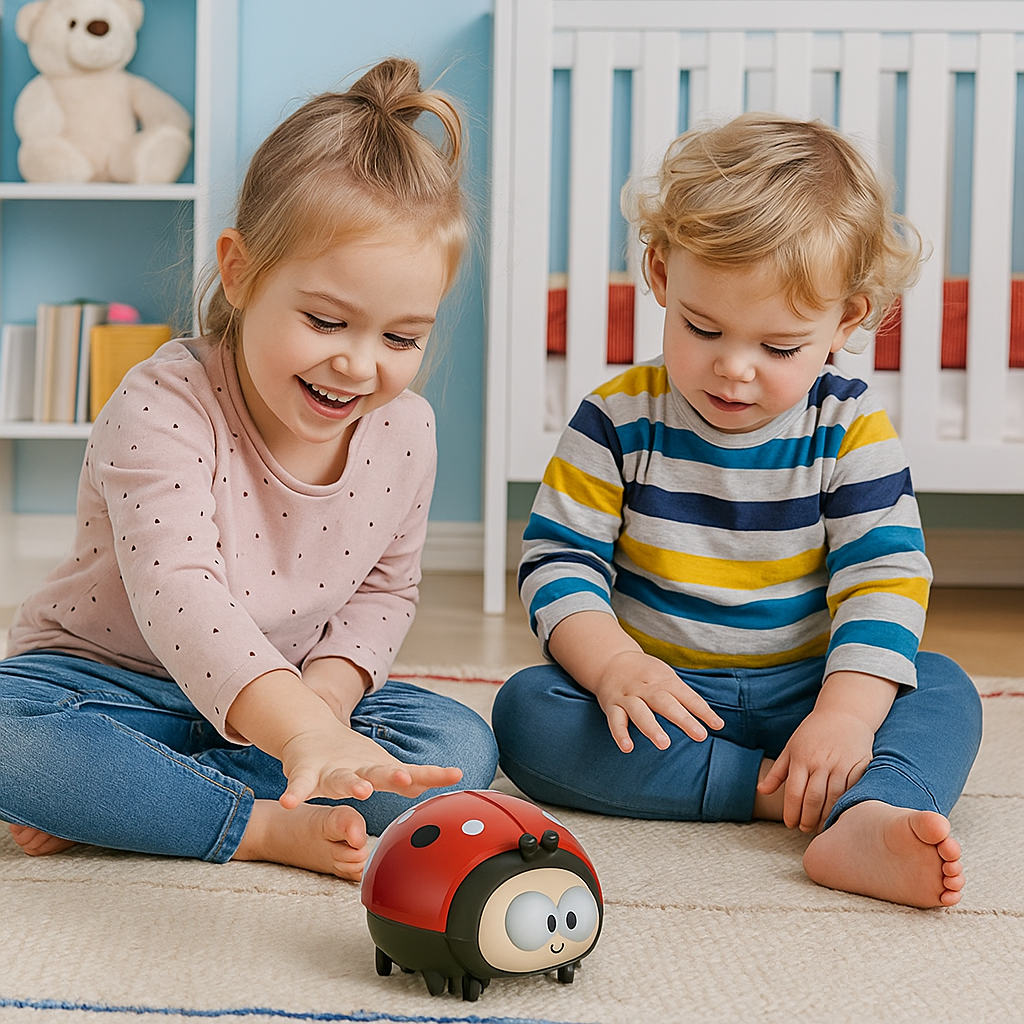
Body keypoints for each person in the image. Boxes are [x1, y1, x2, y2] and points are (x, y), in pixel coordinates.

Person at [0, 58, 498, 881]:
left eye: (401, 338)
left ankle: (143, 803)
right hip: (114, 686)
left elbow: (382, 594)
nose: (358, 364)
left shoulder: (407, 431)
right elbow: (179, 595)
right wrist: (301, 737)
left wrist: (327, 713)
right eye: (327, 320)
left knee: (459, 747)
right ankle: (258, 823)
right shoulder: (164, 402)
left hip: (299, 692)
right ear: (239, 271)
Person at [491, 113, 983, 909]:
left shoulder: (849, 429)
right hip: (661, 700)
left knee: (942, 689)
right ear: (659, 275)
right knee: (527, 714)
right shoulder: (616, 420)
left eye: (780, 347)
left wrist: (847, 718)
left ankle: (869, 808)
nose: (733, 368)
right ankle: (773, 792)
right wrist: (616, 665)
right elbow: (559, 563)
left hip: (812, 694)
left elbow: (883, 578)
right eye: (702, 327)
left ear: (847, 322)